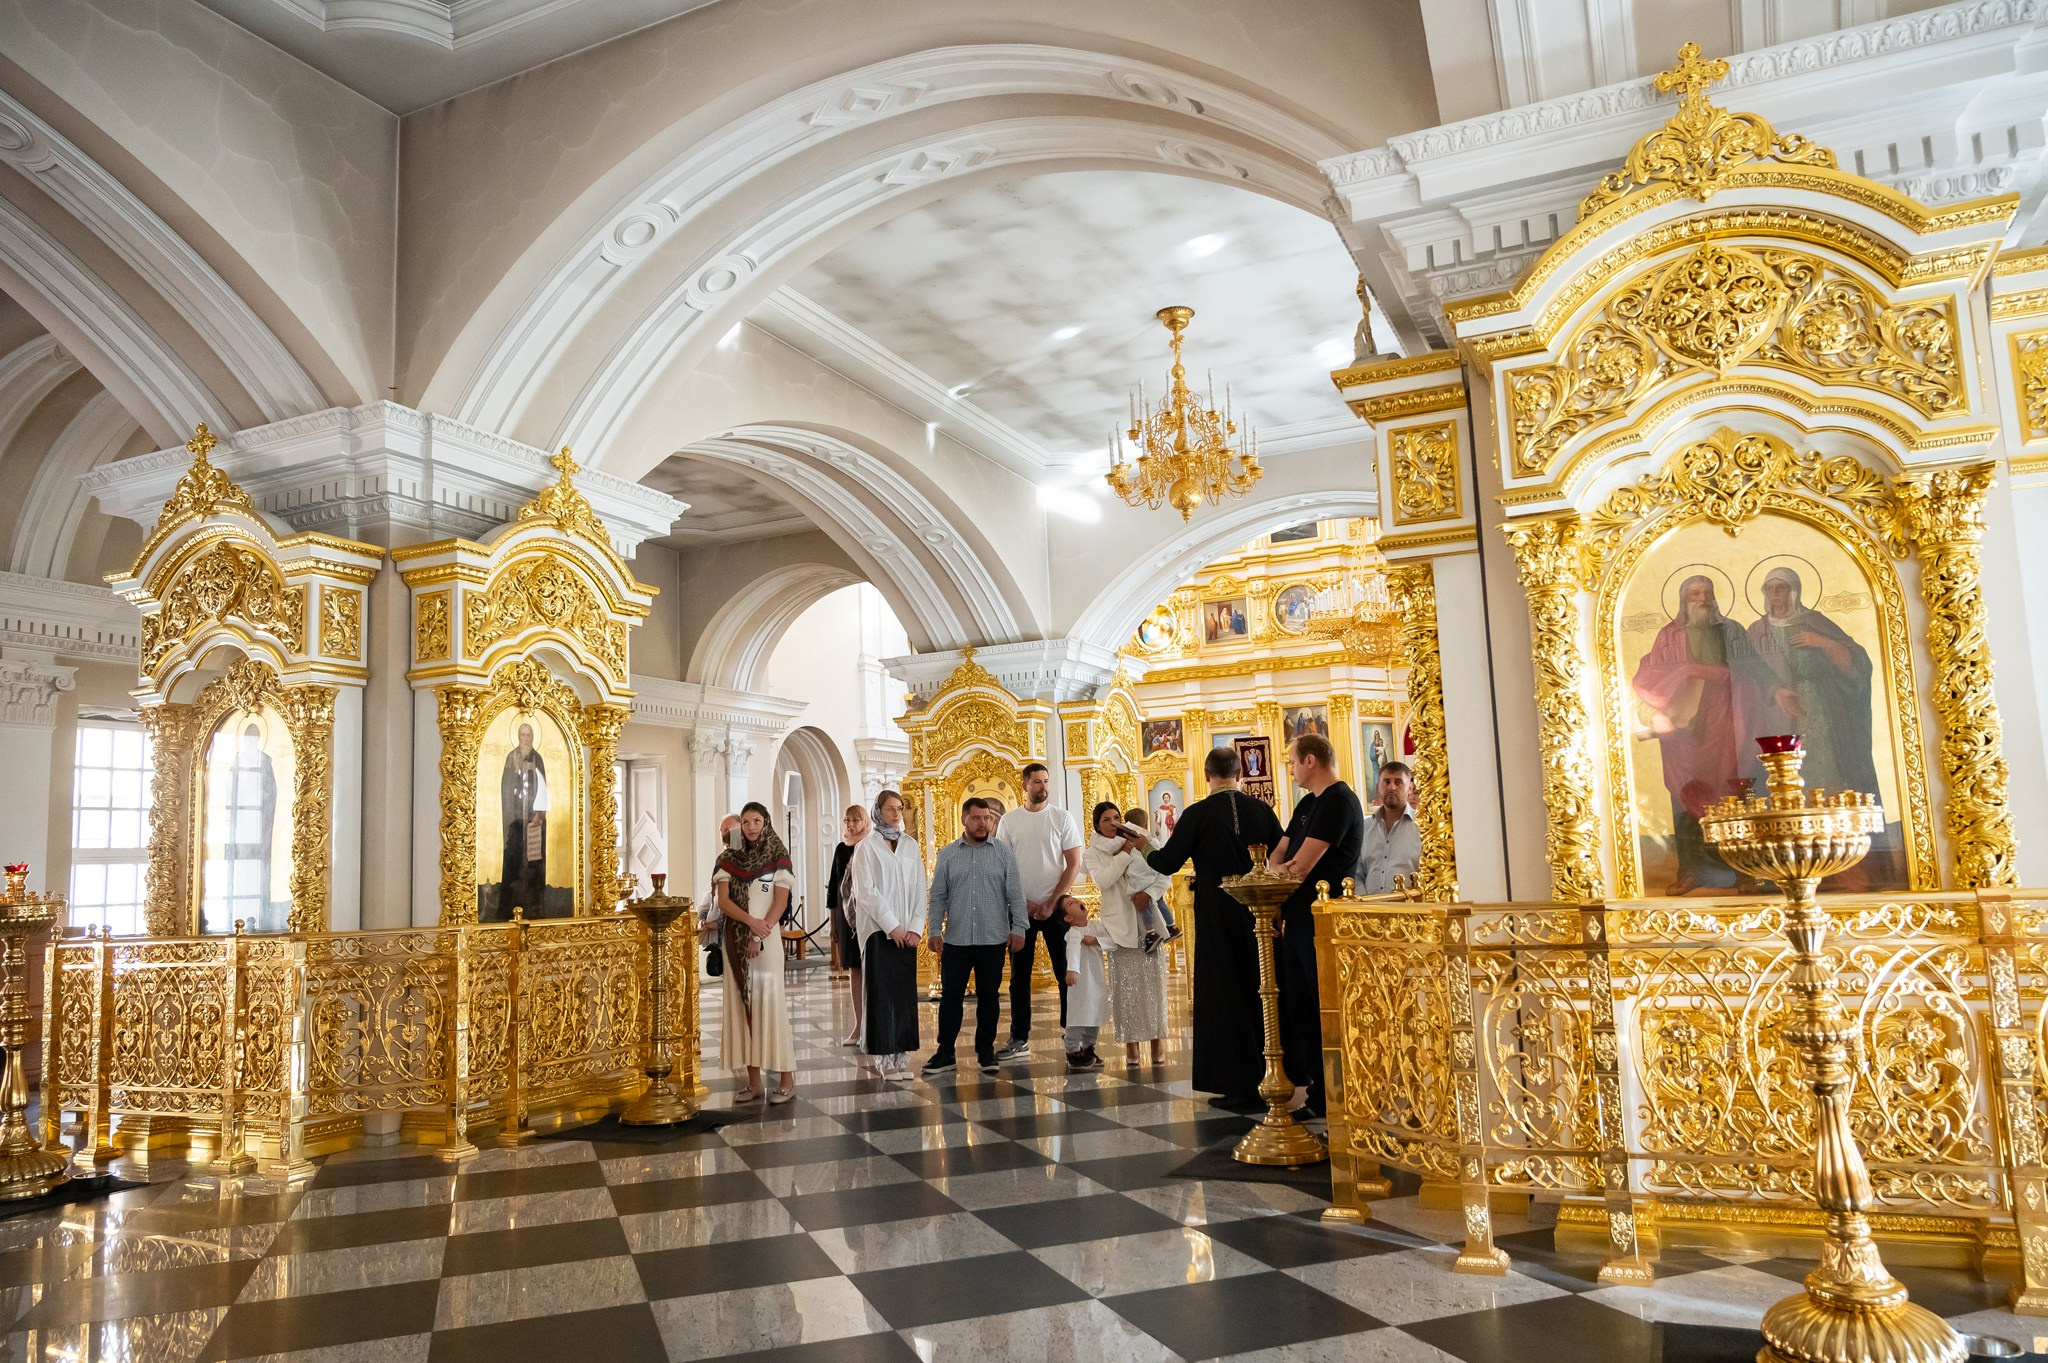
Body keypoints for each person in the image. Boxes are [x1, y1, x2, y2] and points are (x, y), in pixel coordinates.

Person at [1145, 746, 1283, 1112]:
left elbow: (1165, 861)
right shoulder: (1262, 809)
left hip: (1218, 915)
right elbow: (1280, 853)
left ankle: (1237, 1085)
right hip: (1258, 912)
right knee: (1260, 989)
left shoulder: (1198, 813)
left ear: (1207, 775)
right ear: (1240, 772)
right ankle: (1270, 1077)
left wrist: (1142, 845)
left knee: (1224, 994)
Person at [1631, 574, 1771, 894]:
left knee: (1735, 793)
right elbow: (1648, 676)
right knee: (1686, 794)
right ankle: (1691, 871)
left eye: (1707, 592)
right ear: (1684, 600)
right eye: (1695, 594)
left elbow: (1753, 668)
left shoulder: (1730, 630)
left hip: (1727, 722)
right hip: (1685, 733)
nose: (1702, 599)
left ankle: (1744, 871)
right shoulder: (1669, 636)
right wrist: (1658, 710)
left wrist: (1774, 689)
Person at [1269, 733, 1364, 1119]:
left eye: (1292, 761)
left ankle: (1335, 1098)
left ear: (1310, 760)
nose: (1290, 769)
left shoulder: (1339, 801)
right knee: (1301, 1010)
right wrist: (1277, 871)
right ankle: (1317, 1096)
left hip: (1323, 924)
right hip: (1298, 920)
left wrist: (1275, 874)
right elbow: (1280, 850)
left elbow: (1302, 865)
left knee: (1323, 1010)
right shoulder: (1309, 803)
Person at [923, 797, 1026, 1077]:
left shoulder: (1003, 853)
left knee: (989, 998)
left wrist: (1019, 928)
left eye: (988, 818)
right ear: (964, 820)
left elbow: (1015, 894)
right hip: (956, 939)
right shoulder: (947, 855)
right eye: (977, 818)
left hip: (992, 938)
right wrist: (934, 930)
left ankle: (985, 1052)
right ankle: (945, 1052)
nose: (984, 823)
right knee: (951, 998)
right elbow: (938, 897)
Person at [994, 763, 1081, 1061]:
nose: (1042, 786)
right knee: (1019, 976)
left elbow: (1073, 863)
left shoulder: (1061, 817)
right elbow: (1003, 866)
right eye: (1036, 782)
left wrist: (1052, 901)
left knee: (1065, 971)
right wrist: (1024, 902)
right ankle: (1020, 1036)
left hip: (1057, 909)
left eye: (1045, 781)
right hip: (1020, 909)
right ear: (1024, 786)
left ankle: (1073, 1033)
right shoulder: (1009, 821)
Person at [713, 802, 798, 1104]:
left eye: (756, 821)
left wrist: (761, 932)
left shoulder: (777, 855)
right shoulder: (728, 858)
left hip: (767, 941)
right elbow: (723, 902)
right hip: (735, 942)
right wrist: (751, 924)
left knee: (770, 1007)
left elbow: (780, 900)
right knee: (743, 1010)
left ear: (765, 822)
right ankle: (753, 1082)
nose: (751, 827)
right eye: (746, 822)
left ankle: (787, 1080)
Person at [1082, 802, 1169, 1067]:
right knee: (1126, 989)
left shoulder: (1138, 838)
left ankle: (1157, 1042)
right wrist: (1125, 852)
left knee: (1154, 986)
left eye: (1117, 817)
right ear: (1097, 824)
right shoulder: (1093, 853)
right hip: (1118, 925)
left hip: (1147, 924)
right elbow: (1104, 880)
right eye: (1106, 819)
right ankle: (1132, 1046)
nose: (1113, 823)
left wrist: (1149, 894)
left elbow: (1162, 872)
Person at [850, 791, 924, 1081]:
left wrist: (916, 926)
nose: (896, 814)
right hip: (879, 931)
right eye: (890, 809)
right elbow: (866, 891)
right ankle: (884, 1057)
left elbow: (920, 886)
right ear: (878, 811)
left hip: (907, 931)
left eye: (900, 808)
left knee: (904, 995)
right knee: (881, 995)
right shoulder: (866, 848)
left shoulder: (910, 846)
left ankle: (902, 1055)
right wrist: (891, 925)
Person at [826, 804, 870, 1045]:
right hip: (846, 916)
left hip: (869, 913)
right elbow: (835, 887)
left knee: (872, 968)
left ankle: (874, 1025)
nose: (850, 825)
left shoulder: (872, 845)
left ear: (864, 821)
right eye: (846, 820)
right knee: (854, 968)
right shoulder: (841, 849)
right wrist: (833, 922)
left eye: (855, 820)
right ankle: (858, 1025)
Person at [497, 722, 548, 919]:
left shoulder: (538, 758)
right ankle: (508, 906)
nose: (525, 739)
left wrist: (539, 812)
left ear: (532, 737)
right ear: (518, 737)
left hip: (533, 820)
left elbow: (543, 788)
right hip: (515, 820)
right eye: (522, 735)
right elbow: (506, 785)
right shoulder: (512, 757)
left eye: (528, 735)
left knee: (533, 861)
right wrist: (516, 770)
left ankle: (535, 906)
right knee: (513, 858)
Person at [1355, 761, 1421, 894]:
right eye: (1386, 782)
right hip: (1371, 911)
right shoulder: (1364, 828)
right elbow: (1356, 873)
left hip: (1410, 910)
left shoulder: (1422, 827)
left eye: (1398, 782)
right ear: (1378, 786)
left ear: (1409, 788)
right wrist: (1365, 905)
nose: (1392, 787)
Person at [1119, 807, 1179, 952]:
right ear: (1146, 825)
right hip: (1152, 878)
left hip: (1140, 882)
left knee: (1143, 905)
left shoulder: (1128, 844)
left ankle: (1151, 933)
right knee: (1160, 901)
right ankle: (1171, 927)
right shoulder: (1155, 842)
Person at [1059, 896, 1107, 1072]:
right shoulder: (1073, 933)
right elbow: (1073, 952)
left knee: (1094, 1014)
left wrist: (1095, 941)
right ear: (1068, 918)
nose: (1076, 901)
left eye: (1074, 899)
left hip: (1096, 980)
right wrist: (1071, 970)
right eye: (1070, 904)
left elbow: (1112, 942)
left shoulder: (1095, 926)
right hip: (1080, 982)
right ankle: (1072, 1050)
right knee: (1079, 1014)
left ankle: (1088, 1048)